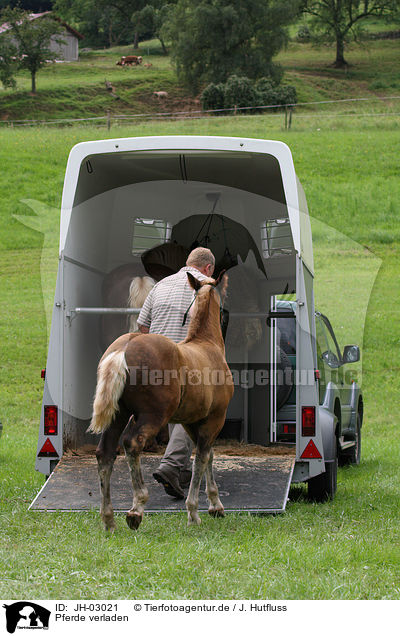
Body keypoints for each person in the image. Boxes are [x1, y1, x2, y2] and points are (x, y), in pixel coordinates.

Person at [137, 246, 216, 498]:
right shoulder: (205, 287)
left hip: (153, 359)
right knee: (195, 411)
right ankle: (171, 465)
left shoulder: (160, 286)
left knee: (176, 409)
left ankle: (180, 470)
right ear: (208, 269)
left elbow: (142, 326)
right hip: (185, 358)